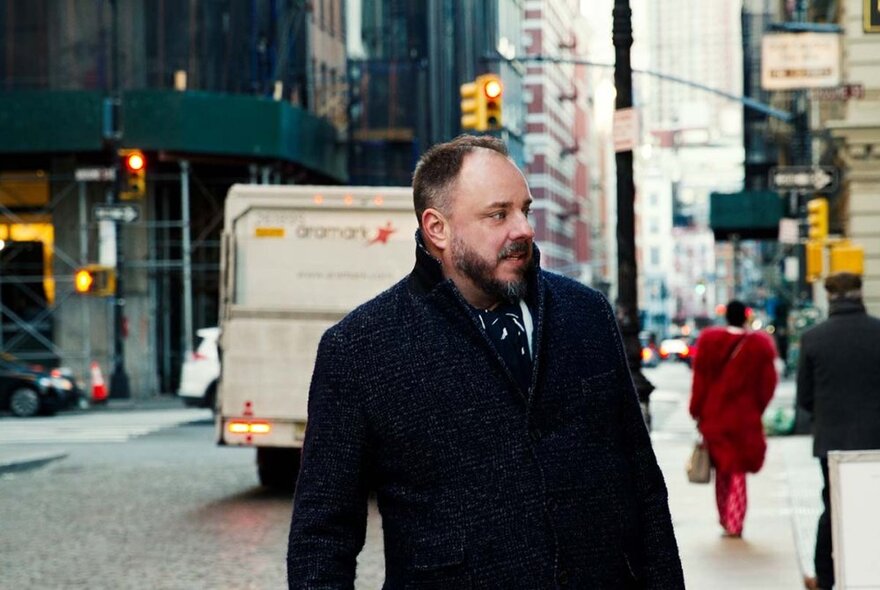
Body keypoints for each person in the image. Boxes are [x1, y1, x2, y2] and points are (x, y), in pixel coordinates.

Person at [287, 135, 684, 588]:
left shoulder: (586, 314)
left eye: (525, 209)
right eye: (498, 214)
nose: (524, 229)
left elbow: (643, 484)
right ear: (437, 228)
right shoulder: (360, 348)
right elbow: (321, 537)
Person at [797, 273, 880, 590]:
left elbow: (804, 398)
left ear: (829, 297)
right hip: (877, 438)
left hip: (833, 441)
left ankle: (825, 577)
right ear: (860, 295)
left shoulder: (813, 338)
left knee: (833, 506)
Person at [689, 300, 777, 538]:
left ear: (726, 316)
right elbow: (768, 384)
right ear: (745, 317)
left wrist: (696, 410)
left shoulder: (709, 342)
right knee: (738, 469)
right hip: (745, 418)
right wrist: (756, 408)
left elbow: (700, 380)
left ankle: (724, 517)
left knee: (721, 469)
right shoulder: (759, 345)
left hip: (715, 415)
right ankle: (735, 520)